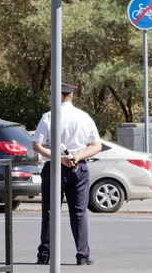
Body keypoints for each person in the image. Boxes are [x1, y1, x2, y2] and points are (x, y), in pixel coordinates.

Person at [32, 82, 102, 266]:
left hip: (54, 167)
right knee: (79, 213)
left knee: (49, 211)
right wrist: (78, 156)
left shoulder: (48, 117)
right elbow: (96, 145)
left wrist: (58, 157)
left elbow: (37, 145)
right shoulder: (84, 117)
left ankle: (45, 255)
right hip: (79, 168)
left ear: (59, 96)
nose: (48, 97)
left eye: (50, 94)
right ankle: (82, 255)